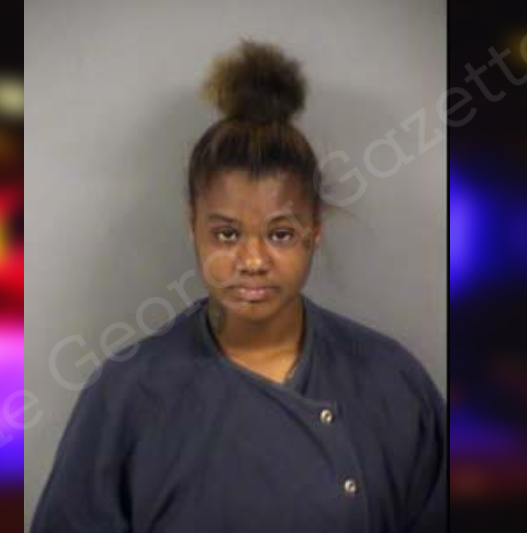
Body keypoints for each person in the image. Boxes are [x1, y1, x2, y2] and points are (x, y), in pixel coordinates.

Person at [31, 39, 446, 533]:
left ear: (315, 231)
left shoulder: (391, 383)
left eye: (281, 234)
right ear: (193, 227)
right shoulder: (127, 395)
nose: (252, 261)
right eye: (227, 234)